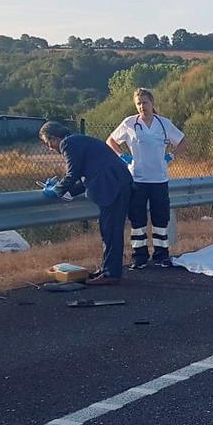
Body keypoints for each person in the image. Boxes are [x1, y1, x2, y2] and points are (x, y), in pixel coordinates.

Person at [39, 121, 133, 286]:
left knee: (110, 231)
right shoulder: (79, 140)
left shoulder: (68, 143)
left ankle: (111, 273)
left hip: (111, 186)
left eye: (48, 143)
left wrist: (56, 191)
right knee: (110, 230)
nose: (50, 148)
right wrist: (66, 191)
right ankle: (108, 269)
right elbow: (85, 176)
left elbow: (72, 174)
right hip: (117, 183)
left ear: (54, 138)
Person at [107, 88, 186, 269]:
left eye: (145, 102)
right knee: (137, 218)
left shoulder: (163, 124)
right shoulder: (129, 123)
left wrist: (171, 156)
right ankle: (139, 255)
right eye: (139, 104)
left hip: (159, 179)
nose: (142, 106)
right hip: (137, 179)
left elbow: (182, 141)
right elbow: (111, 141)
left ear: (152, 104)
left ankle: (161, 254)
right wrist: (122, 156)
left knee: (160, 218)